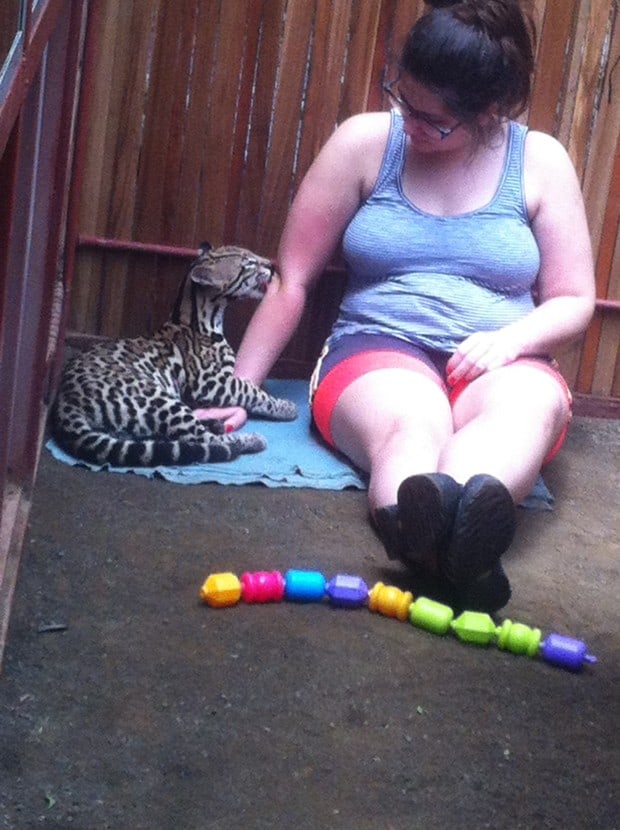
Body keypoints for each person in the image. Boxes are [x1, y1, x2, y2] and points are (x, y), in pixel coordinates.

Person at [200, 0, 595, 612]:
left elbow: (574, 300)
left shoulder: (540, 162)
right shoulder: (364, 143)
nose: (411, 122)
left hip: (503, 352)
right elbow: (291, 280)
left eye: (434, 120)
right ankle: (455, 554)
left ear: (490, 113)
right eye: (404, 100)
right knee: (414, 428)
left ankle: (442, 537)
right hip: (378, 346)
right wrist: (240, 387)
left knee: (518, 416)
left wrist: (510, 341)